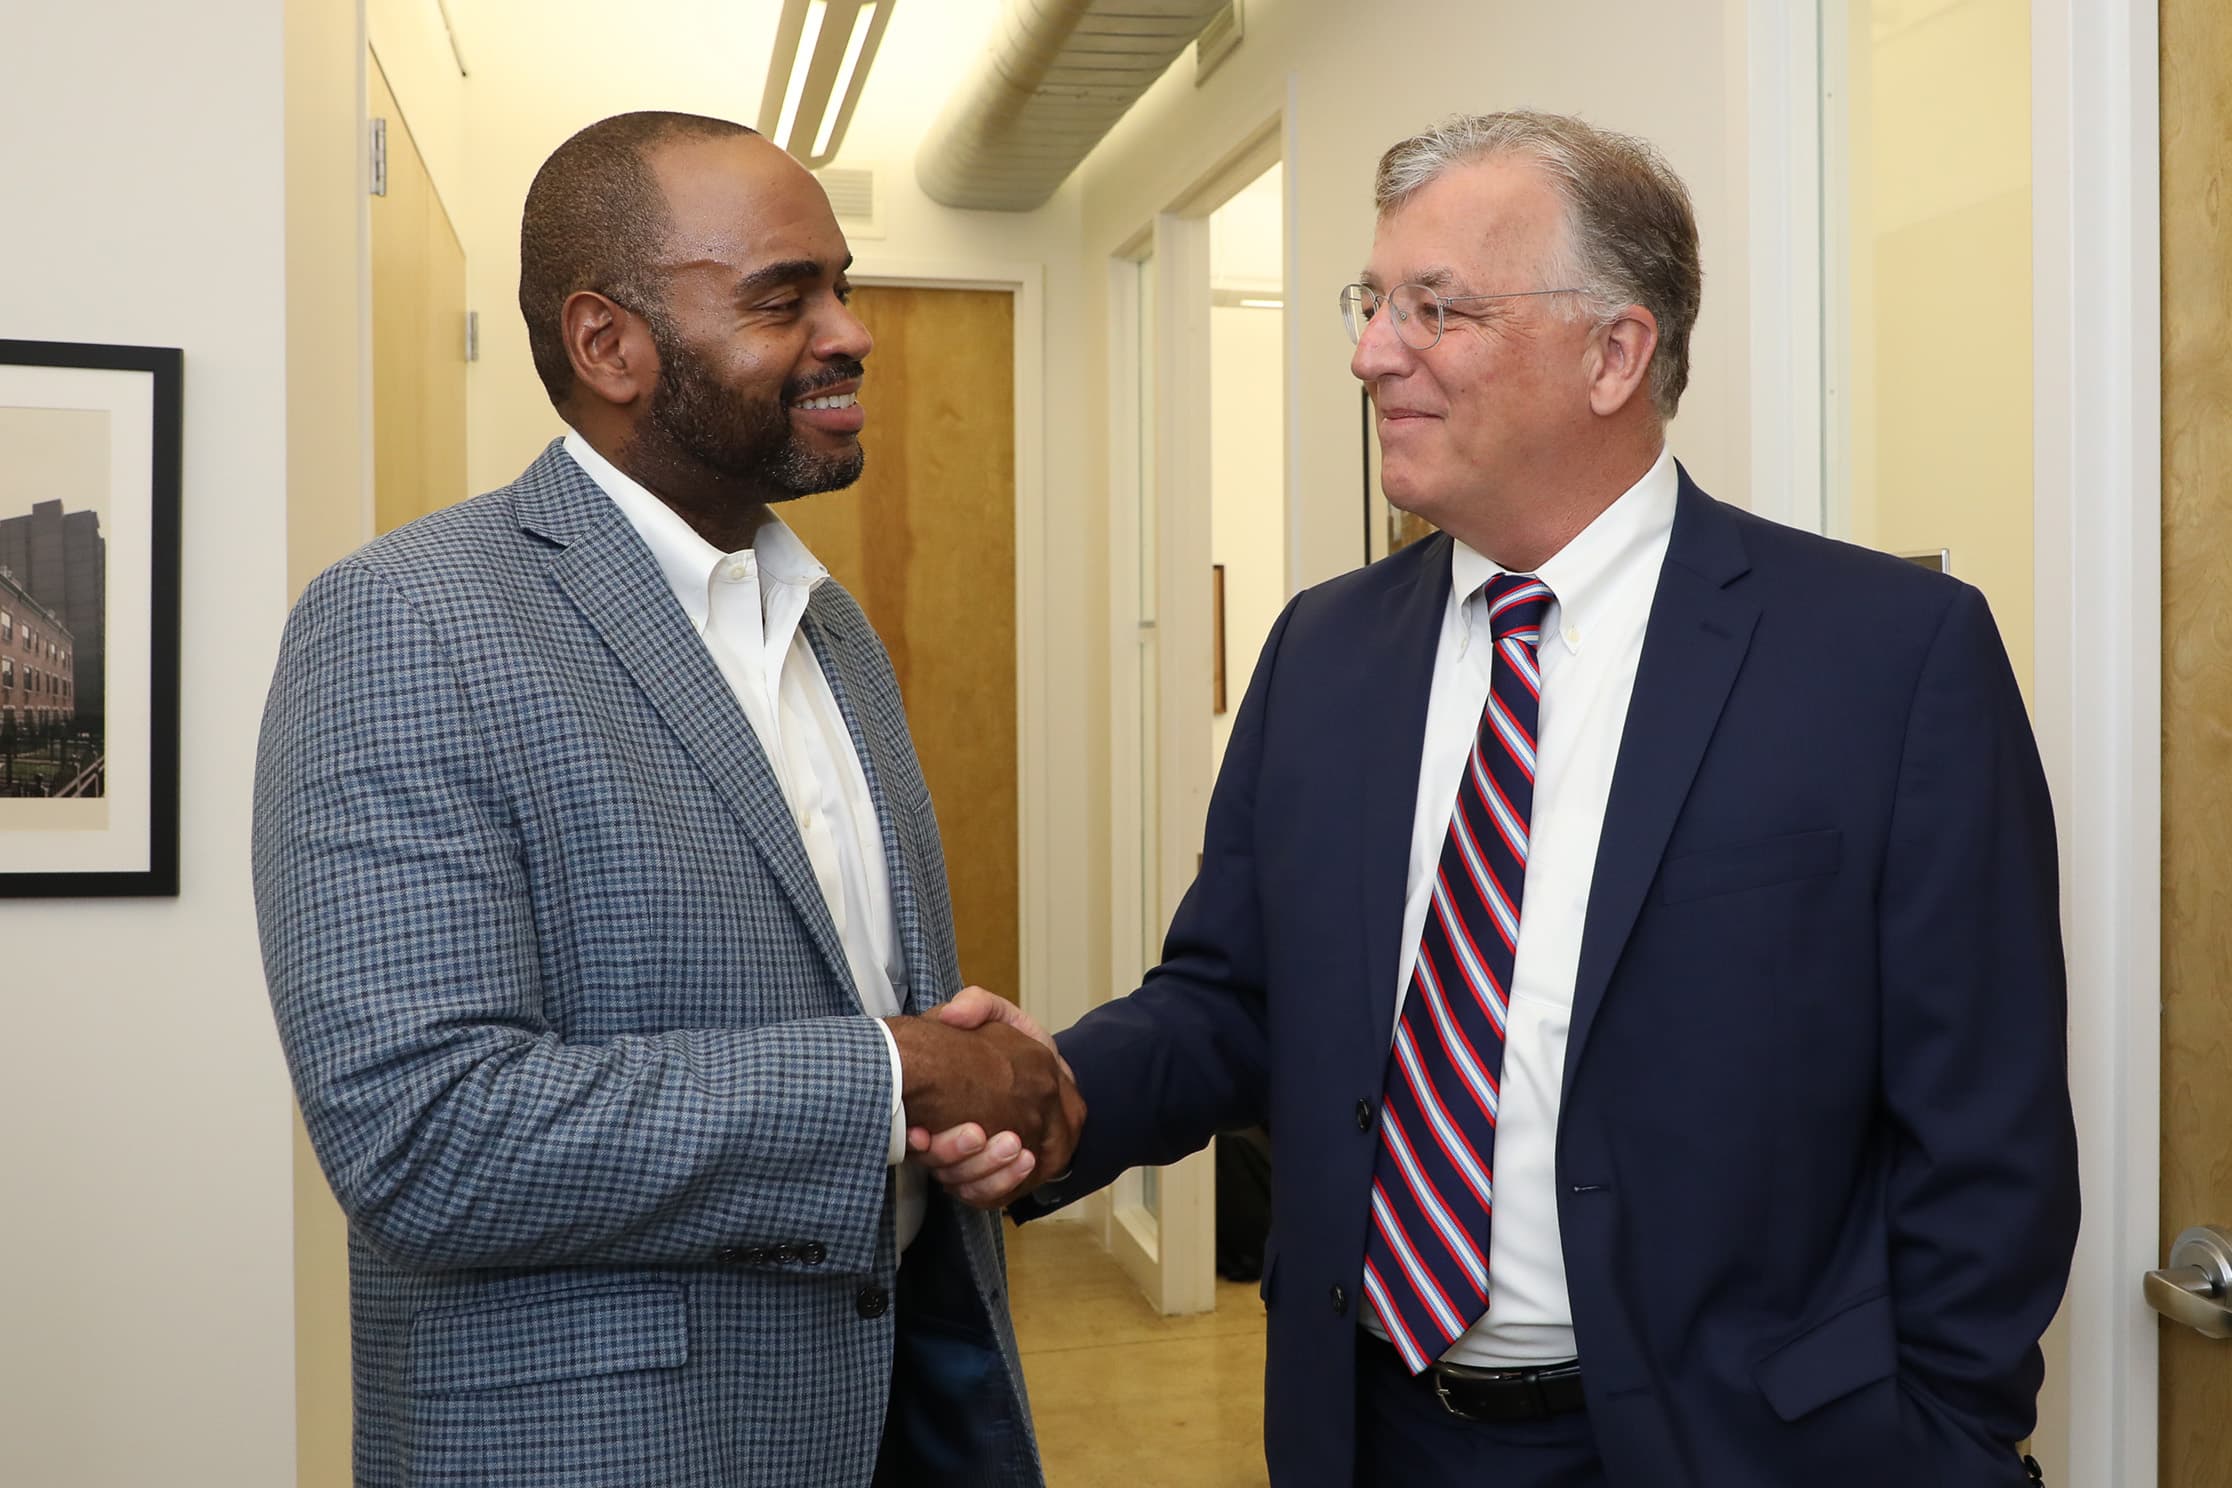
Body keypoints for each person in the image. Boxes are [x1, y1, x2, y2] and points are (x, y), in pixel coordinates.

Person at [923, 111, 2079, 1487]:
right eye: (1370, 303)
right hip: (1372, 1431)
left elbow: (1984, 1125)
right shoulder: (1326, 650)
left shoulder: (1886, 656)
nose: (1370, 353)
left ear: (1615, 353)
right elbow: (1234, 997)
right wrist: (1058, 1092)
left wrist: (1947, 1445)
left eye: (1436, 309)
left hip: (1740, 1444)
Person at [253, 111, 1075, 1488]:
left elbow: (849, 1001)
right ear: (607, 344)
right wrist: (901, 1075)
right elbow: (423, 1136)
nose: (852, 333)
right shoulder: (406, 623)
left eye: (842, 286)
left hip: (896, 1410)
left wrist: (973, 1116)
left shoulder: (829, 629)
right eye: (783, 299)